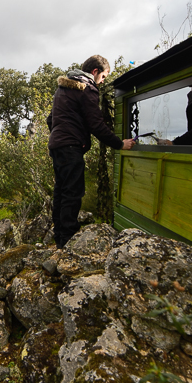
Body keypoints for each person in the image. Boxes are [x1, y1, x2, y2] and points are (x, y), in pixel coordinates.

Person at [47, 55, 135, 249]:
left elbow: (50, 119)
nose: (103, 82)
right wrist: (120, 144)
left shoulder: (63, 89)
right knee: (73, 192)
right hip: (70, 147)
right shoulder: (88, 89)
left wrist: (60, 135)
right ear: (95, 72)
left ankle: (60, 238)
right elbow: (96, 125)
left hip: (57, 146)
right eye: (103, 77)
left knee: (61, 191)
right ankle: (68, 241)